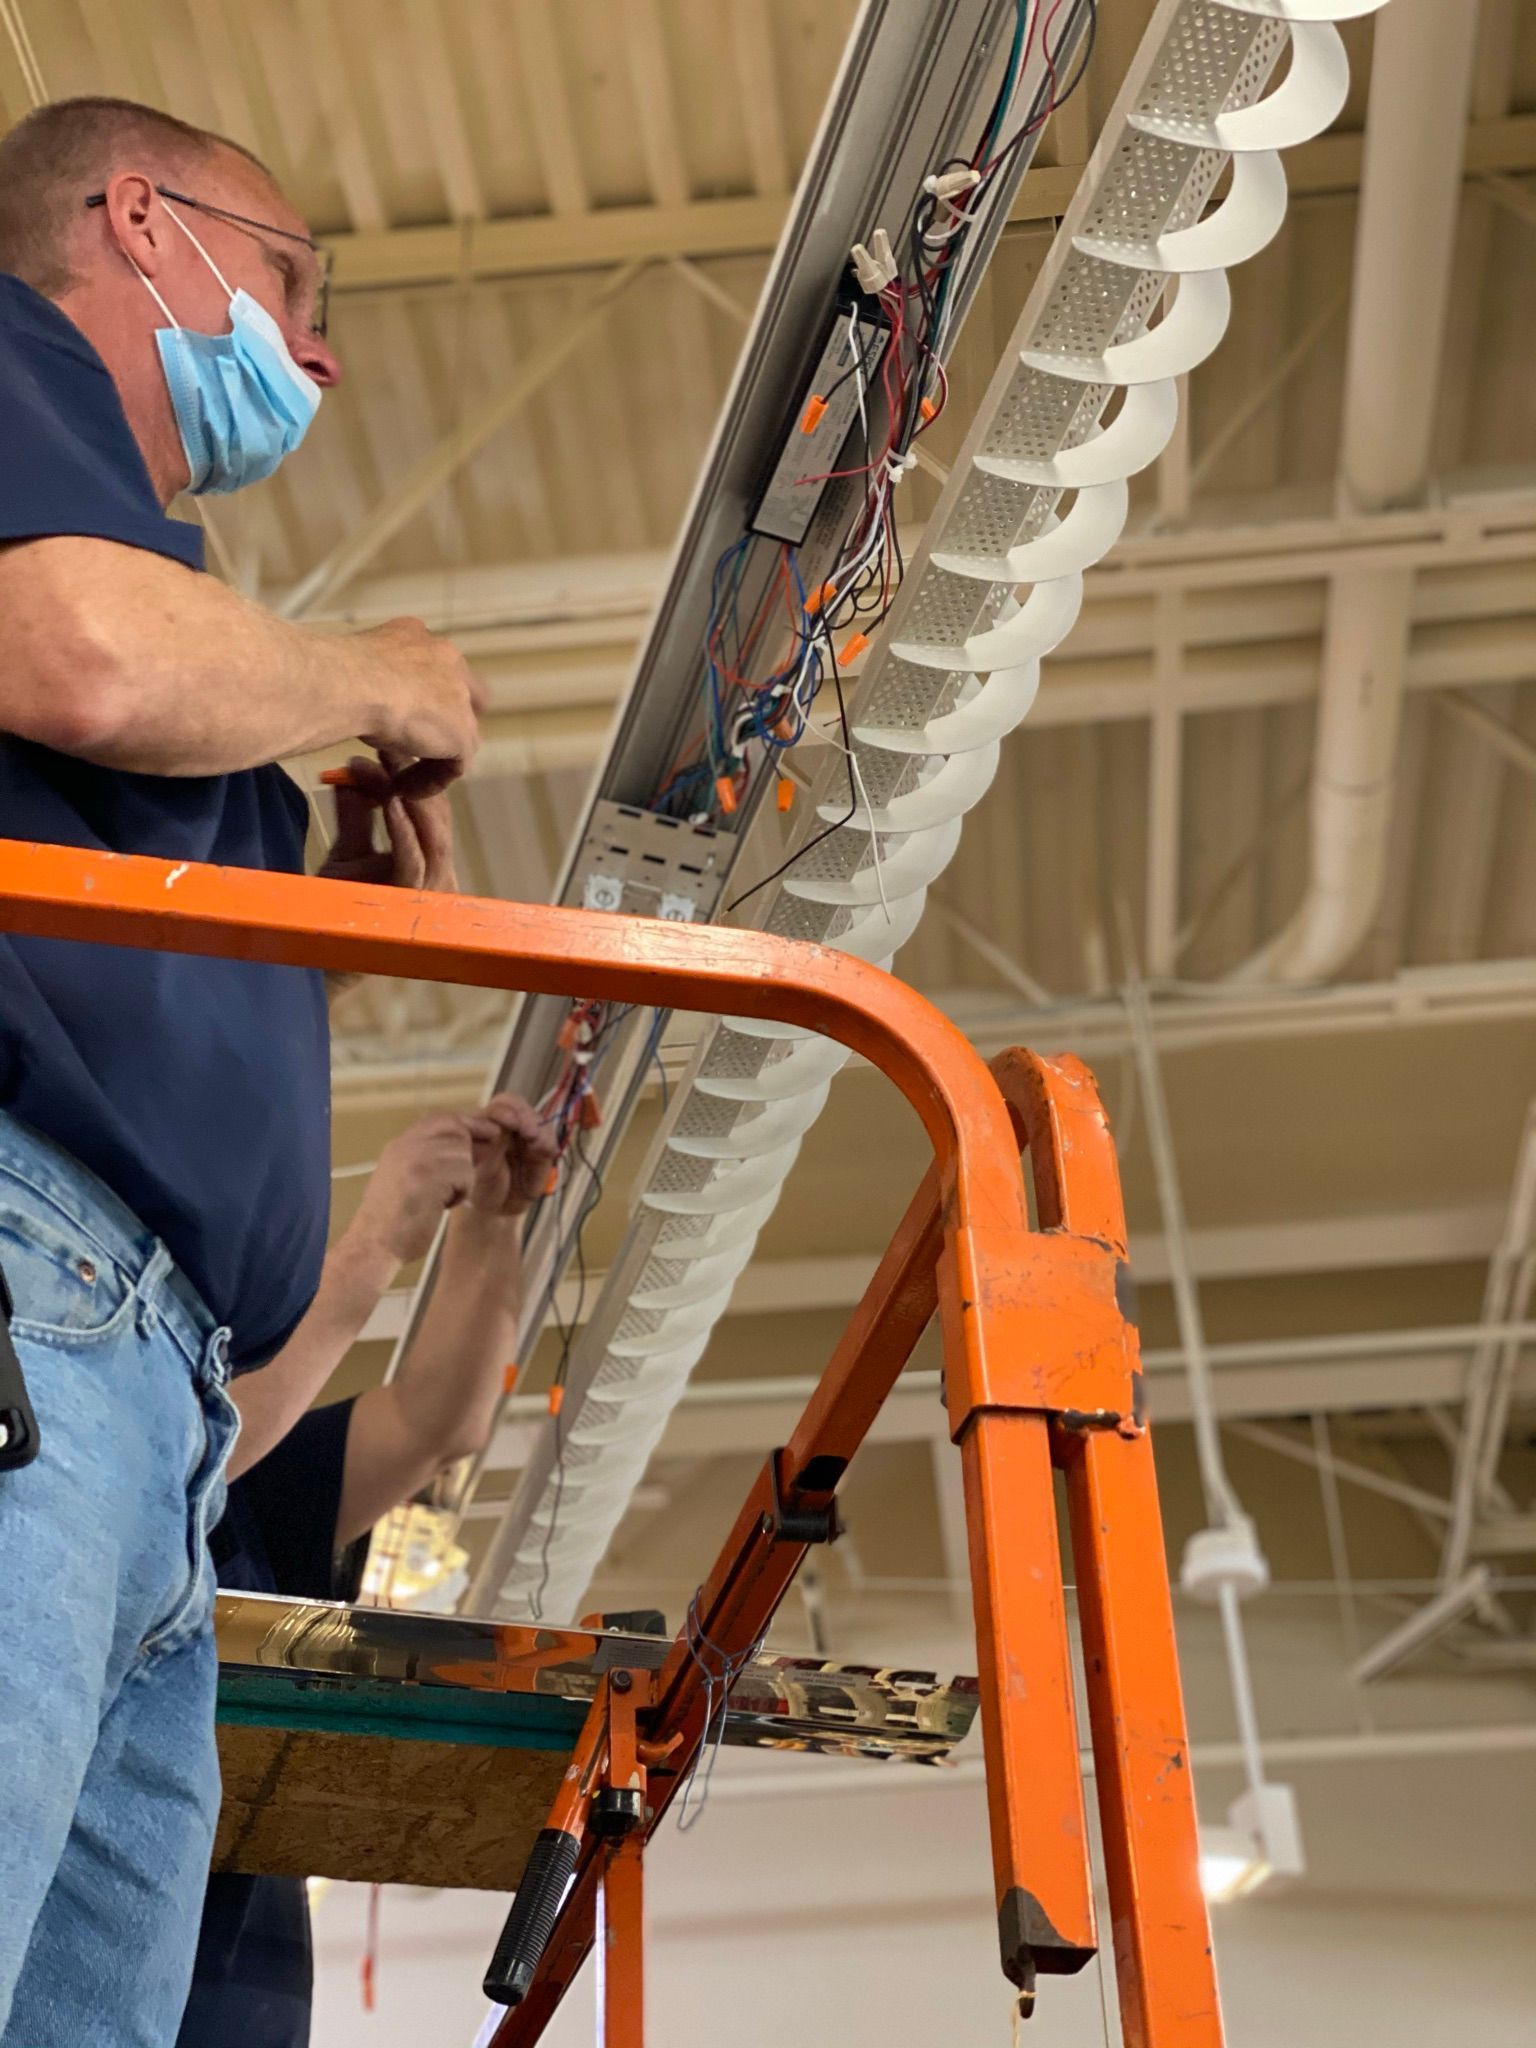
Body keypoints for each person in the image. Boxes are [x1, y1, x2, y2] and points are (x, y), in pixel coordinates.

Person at [0, 96, 483, 2046]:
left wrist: (299, 911)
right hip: (48, 1310)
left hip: (157, 1397)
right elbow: (82, 660)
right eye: (291, 282)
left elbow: (112, 1003)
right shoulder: (19, 368)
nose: (322, 345)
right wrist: (372, 671)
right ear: (140, 218)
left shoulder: (140, 571)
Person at [179, 1094, 555, 2048]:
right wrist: (374, 1245)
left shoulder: (247, 1496)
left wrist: (486, 1227)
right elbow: (181, 1459)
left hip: (232, 1993)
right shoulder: (109, 1475)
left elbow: (438, 1420)